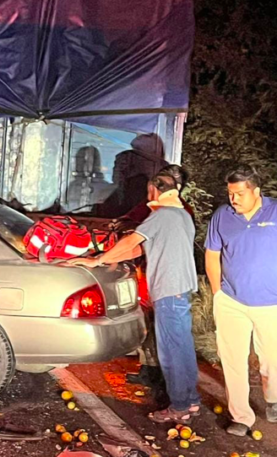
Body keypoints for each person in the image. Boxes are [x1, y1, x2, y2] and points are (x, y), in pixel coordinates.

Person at [69, 171, 199, 424]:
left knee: (171, 352)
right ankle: (190, 400)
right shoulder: (182, 215)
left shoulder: (162, 215)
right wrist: (103, 261)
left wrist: (96, 259)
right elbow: (139, 248)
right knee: (182, 348)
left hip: (168, 291)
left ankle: (180, 405)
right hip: (181, 291)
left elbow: (132, 239)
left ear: (153, 190)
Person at [205, 164, 277, 436]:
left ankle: (273, 399)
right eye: (230, 194)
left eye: (239, 194)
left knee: (272, 359)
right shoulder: (222, 216)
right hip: (231, 301)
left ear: (256, 191)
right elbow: (212, 255)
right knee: (232, 360)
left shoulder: (275, 212)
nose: (233, 199)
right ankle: (241, 416)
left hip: (271, 303)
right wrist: (217, 293)